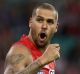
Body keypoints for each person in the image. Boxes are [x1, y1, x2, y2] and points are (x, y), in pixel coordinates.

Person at [4, 3, 60, 74]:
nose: (44, 26)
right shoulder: (19, 50)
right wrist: (42, 61)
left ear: (56, 27)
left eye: (49, 22)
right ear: (30, 22)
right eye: (39, 20)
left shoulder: (49, 54)